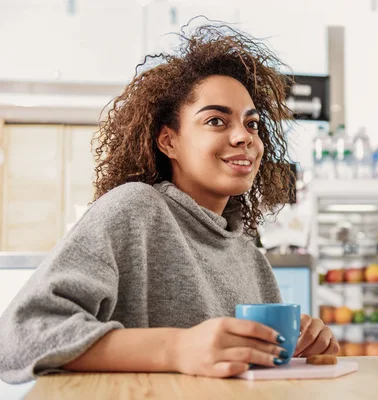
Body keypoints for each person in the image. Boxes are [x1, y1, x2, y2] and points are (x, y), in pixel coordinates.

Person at [0, 23, 338, 384]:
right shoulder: (135, 209)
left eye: (252, 124)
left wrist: (302, 343)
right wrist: (177, 348)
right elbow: (18, 338)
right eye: (216, 120)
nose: (244, 137)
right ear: (168, 142)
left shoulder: (248, 255)